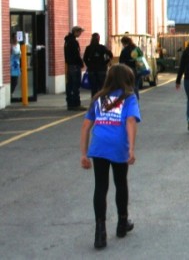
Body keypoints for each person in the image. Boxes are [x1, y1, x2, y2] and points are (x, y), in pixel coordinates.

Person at [79, 64, 141, 249]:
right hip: (118, 145)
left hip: (98, 146)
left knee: (100, 187)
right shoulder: (129, 98)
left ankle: (100, 233)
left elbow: (85, 127)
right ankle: (122, 223)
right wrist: (131, 149)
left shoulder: (98, 98)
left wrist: (83, 154)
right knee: (120, 183)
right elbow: (130, 121)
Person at [83, 33, 113, 97]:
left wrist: (89, 65)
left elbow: (85, 58)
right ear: (99, 39)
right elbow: (110, 55)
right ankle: (102, 101)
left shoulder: (88, 48)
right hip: (101, 69)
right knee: (102, 87)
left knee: (94, 88)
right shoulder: (102, 47)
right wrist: (105, 62)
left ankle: (94, 101)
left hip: (92, 69)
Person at [65, 26, 86, 110]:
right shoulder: (73, 42)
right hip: (74, 65)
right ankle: (76, 104)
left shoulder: (67, 41)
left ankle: (70, 103)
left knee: (70, 84)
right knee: (75, 85)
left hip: (70, 65)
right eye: (79, 32)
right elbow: (76, 54)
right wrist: (81, 63)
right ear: (76, 32)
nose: (80, 34)